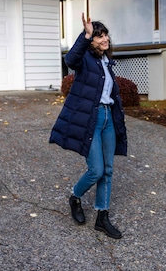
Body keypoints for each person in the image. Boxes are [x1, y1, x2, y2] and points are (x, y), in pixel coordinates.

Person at [49, 13, 127, 239]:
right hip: (90, 120)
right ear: (91, 41)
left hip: (108, 118)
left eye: (105, 35)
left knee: (108, 170)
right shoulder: (84, 58)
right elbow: (70, 60)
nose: (104, 40)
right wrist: (85, 35)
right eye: (99, 37)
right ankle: (75, 196)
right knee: (96, 170)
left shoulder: (106, 61)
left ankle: (102, 216)